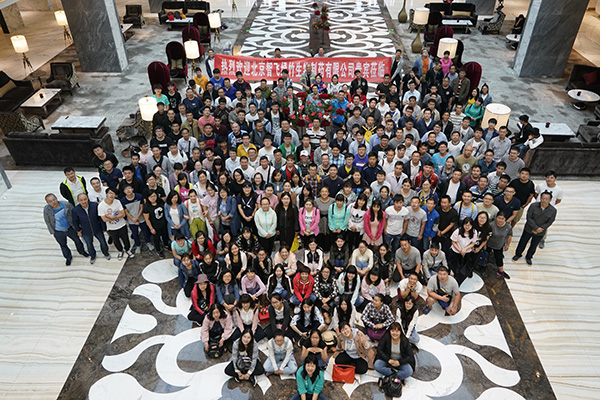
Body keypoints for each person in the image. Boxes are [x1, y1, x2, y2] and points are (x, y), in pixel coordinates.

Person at [512, 191, 557, 266]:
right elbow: (529, 217)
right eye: (543, 198)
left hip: (540, 231)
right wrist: (535, 228)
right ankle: (518, 254)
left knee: (534, 245)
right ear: (540, 198)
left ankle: (529, 257)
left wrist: (540, 229)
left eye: (546, 199)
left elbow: (550, 221)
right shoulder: (533, 206)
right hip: (529, 228)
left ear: (550, 200)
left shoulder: (553, 210)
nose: (544, 200)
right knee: (523, 242)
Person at [44, 193, 89, 266]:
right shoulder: (46, 209)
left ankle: (82, 251)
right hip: (58, 231)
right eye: (50, 201)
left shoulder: (66, 204)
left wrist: (77, 226)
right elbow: (47, 221)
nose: (53, 202)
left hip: (70, 227)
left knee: (77, 240)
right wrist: (53, 231)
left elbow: (74, 214)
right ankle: (68, 257)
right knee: (63, 245)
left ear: (56, 198)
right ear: (47, 202)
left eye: (54, 199)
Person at [71, 193, 110, 264]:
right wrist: (78, 231)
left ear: (88, 199)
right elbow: (75, 222)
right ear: (78, 201)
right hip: (85, 231)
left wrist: (104, 227)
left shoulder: (94, 205)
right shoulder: (75, 210)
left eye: (85, 199)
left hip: (97, 228)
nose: (83, 201)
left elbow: (100, 218)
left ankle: (106, 253)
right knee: (89, 244)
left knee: (103, 242)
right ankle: (93, 256)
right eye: (81, 200)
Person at [98, 188, 133, 260]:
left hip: (122, 225)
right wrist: (117, 216)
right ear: (106, 194)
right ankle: (120, 251)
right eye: (110, 193)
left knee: (126, 239)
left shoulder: (117, 202)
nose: (112, 195)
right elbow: (104, 219)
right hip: (111, 228)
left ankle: (127, 249)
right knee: (116, 241)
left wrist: (112, 217)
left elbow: (123, 214)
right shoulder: (101, 206)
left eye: (113, 193)